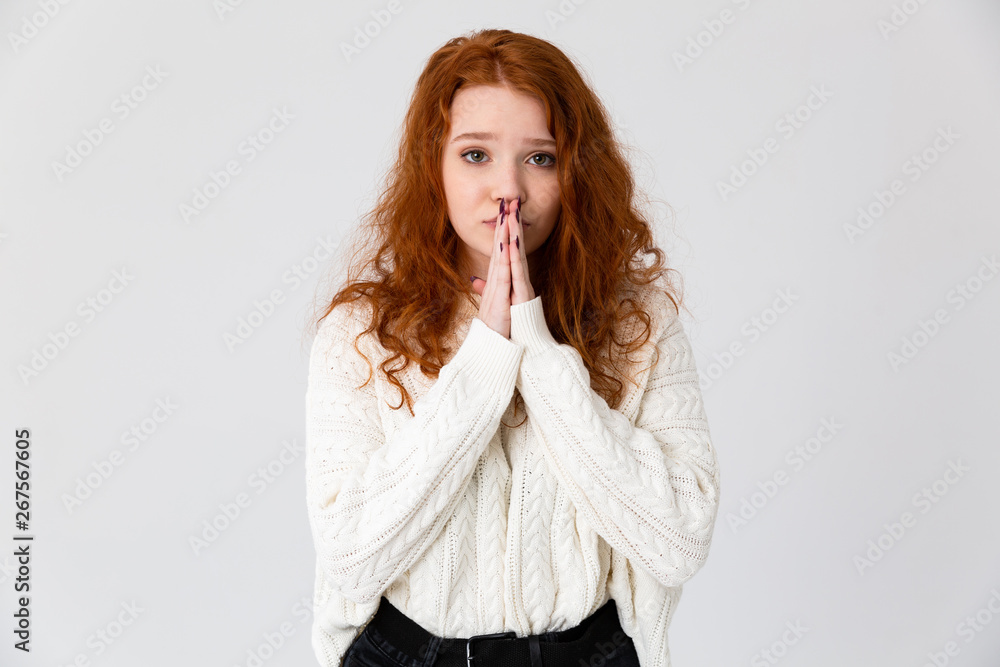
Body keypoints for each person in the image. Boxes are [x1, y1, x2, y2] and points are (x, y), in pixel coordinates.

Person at [304, 28, 721, 667]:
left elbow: (680, 542)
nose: (509, 188)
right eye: (475, 154)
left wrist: (538, 351)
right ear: (433, 166)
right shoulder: (360, 332)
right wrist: (485, 358)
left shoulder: (638, 322)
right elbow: (352, 558)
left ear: (576, 172)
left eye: (541, 158)